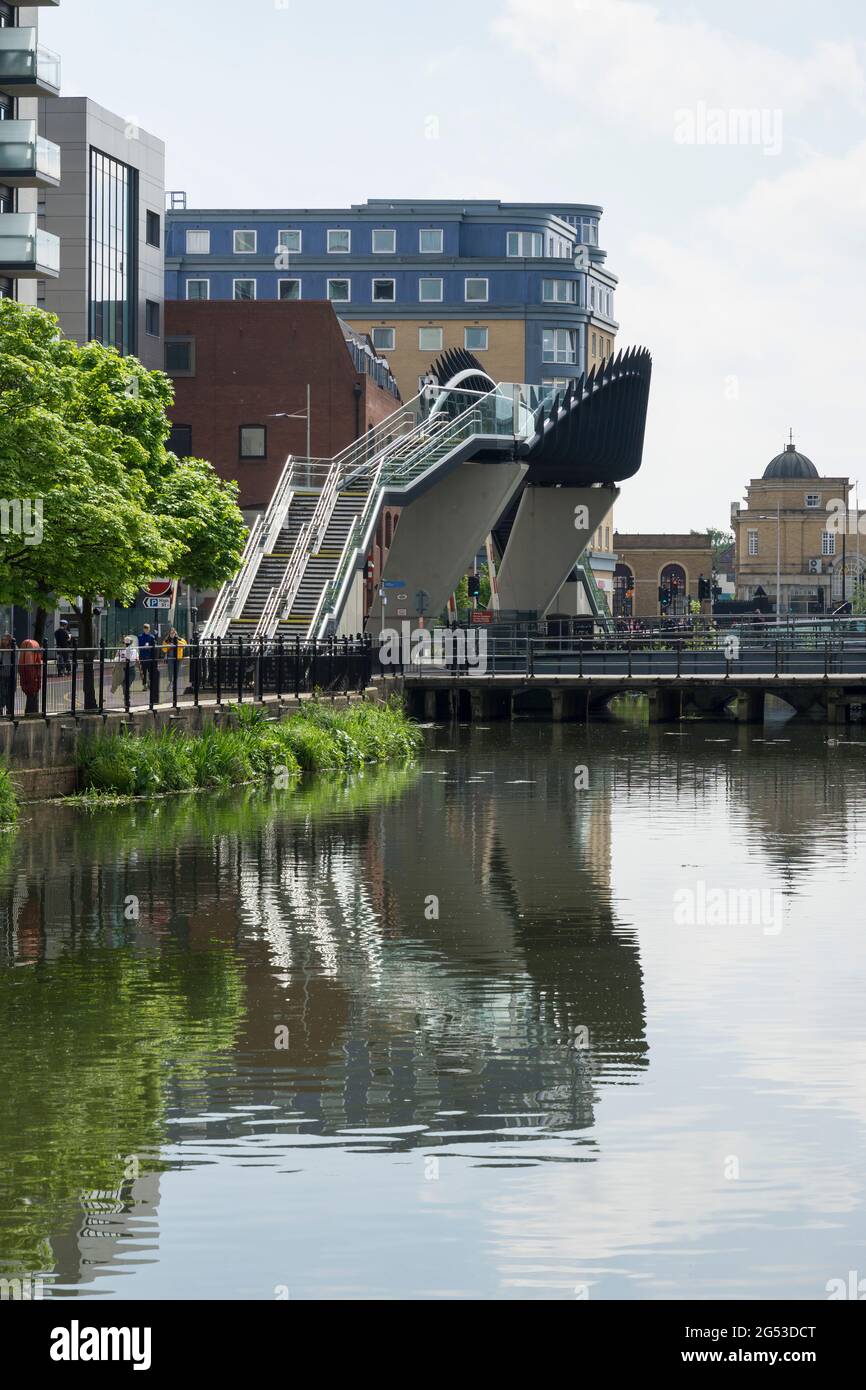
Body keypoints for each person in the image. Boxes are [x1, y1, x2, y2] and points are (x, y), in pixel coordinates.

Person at [0, 635, 15, 720]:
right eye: (2, 639)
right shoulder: (1, 649)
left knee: (10, 692)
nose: (3, 641)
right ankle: (1, 709)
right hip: (2, 674)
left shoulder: (13, 648)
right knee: (2, 692)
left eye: (5, 640)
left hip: (10, 674)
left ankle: (9, 710)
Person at [138, 623, 157, 691]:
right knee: (143, 672)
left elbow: (154, 648)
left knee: (150, 672)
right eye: (145, 628)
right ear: (143, 629)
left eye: (147, 628)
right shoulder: (140, 636)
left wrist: (148, 648)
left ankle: (149, 683)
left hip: (150, 658)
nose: (146, 630)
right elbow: (140, 646)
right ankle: (144, 685)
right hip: (143, 657)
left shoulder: (152, 637)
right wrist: (145, 647)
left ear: (149, 629)